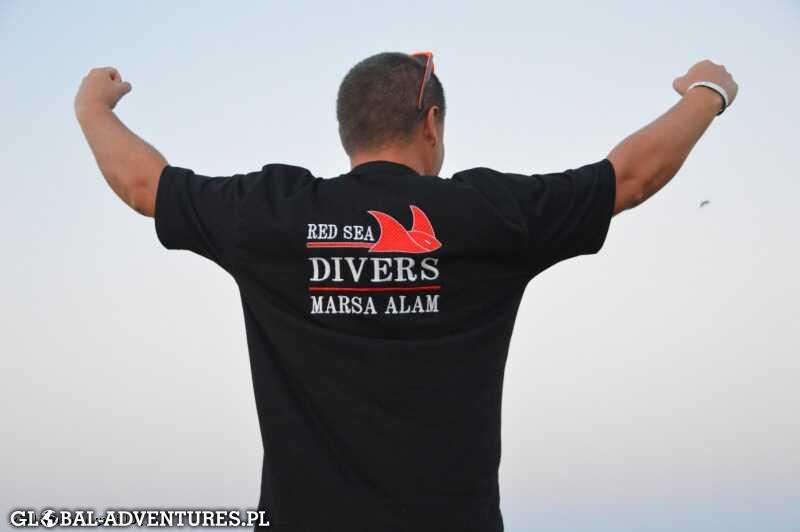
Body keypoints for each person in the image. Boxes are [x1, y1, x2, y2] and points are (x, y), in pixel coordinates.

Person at [74, 52, 738, 532]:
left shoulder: (272, 213)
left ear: (347, 132)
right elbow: (632, 177)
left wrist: (91, 106)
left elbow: (144, 185)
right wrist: (705, 91)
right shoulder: (488, 214)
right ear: (431, 122)